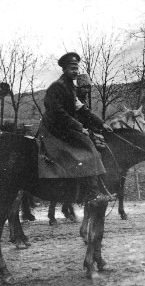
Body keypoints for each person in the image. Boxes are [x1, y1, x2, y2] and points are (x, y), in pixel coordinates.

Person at [39, 52, 113, 204]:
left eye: (77, 68)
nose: (75, 71)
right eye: (72, 68)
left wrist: (101, 123)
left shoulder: (70, 87)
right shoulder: (57, 87)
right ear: (64, 69)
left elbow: (82, 110)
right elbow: (59, 113)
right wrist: (80, 128)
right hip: (54, 129)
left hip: (63, 127)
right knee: (88, 148)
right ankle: (92, 193)